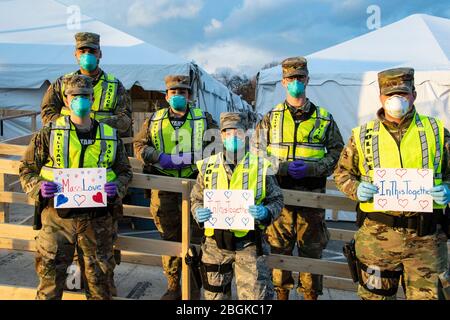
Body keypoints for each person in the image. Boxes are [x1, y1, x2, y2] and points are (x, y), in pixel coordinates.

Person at [334, 67, 450, 300]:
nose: (396, 100)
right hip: (378, 240)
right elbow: (341, 173)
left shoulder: (437, 132)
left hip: (426, 242)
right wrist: (356, 189)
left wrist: (448, 189)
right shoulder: (362, 135)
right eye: (390, 94)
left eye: (403, 93)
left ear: (414, 95)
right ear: (380, 98)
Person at [19, 74, 132, 299]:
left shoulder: (109, 135)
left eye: (85, 96)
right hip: (57, 220)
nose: (80, 100)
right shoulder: (49, 133)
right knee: (50, 284)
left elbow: (124, 172)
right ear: (67, 100)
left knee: (100, 285)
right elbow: (26, 169)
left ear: (92, 99)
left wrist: (116, 188)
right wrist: (39, 186)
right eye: (74, 96)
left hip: (98, 221)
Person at [253, 56, 344, 300]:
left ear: (307, 80)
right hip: (279, 196)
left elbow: (338, 153)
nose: (296, 82)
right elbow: (256, 153)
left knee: (311, 252)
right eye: (291, 78)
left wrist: (313, 169)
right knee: (279, 249)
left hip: (312, 197)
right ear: (283, 82)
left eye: (300, 78)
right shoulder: (271, 118)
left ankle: (310, 296)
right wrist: (281, 167)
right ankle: (281, 295)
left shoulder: (324, 118)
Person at [133, 74, 218, 300]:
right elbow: (139, 146)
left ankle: (195, 288)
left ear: (189, 96)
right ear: (166, 96)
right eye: (174, 92)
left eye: (183, 92)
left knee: (200, 240)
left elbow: (218, 146)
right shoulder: (154, 119)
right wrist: (159, 157)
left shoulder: (204, 119)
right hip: (164, 187)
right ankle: (173, 287)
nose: (178, 96)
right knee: (169, 240)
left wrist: (197, 156)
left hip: (197, 187)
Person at [191, 112, 284, 300]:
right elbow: (196, 198)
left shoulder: (260, 166)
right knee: (215, 298)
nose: (232, 137)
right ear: (221, 136)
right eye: (227, 132)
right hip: (215, 246)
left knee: (255, 299)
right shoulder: (208, 166)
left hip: (249, 245)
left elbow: (277, 200)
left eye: (238, 133)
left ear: (246, 136)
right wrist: (197, 211)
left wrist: (266, 212)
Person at [40, 32, 132, 135]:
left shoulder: (115, 85)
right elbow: (47, 112)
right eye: (82, 51)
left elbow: (125, 118)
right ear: (76, 54)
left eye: (92, 51)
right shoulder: (62, 83)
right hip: (69, 142)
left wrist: (93, 125)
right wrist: (73, 124)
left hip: (101, 142)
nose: (87, 55)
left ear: (100, 54)